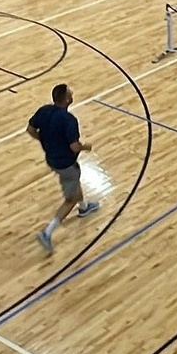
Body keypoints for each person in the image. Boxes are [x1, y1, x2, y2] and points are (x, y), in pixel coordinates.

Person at [27, 83, 100, 255]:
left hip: (52, 159)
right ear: (66, 99)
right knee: (70, 199)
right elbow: (74, 147)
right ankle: (47, 232)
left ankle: (84, 208)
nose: (72, 93)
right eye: (70, 93)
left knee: (75, 180)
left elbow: (30, 129)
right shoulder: (69, 121)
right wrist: (85, 147)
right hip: (64, 163)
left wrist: (44, 141)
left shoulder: (44, 111)